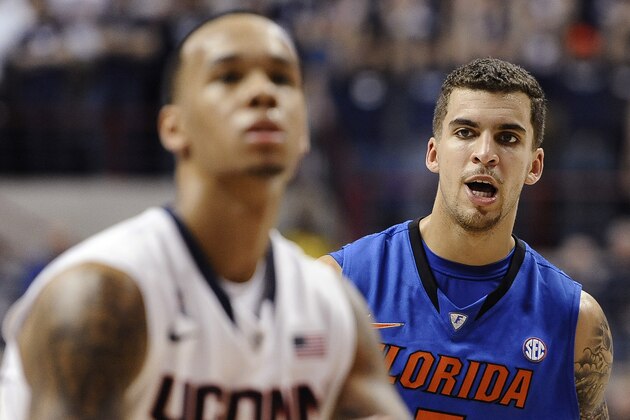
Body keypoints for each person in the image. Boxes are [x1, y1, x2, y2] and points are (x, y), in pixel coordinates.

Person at [0, 11, 410, 419]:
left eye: (282, 78)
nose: (263, 92)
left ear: (303, 130)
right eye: (229, 77)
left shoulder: (330, 307)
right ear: (173, 127)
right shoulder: (102, 295)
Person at [319, 58, 614, 419]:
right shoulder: (337, 285)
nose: (485, 154)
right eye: (465, 132)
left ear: (534, 166)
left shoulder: (577, 321)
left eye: (507, 138)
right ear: (433, 153)